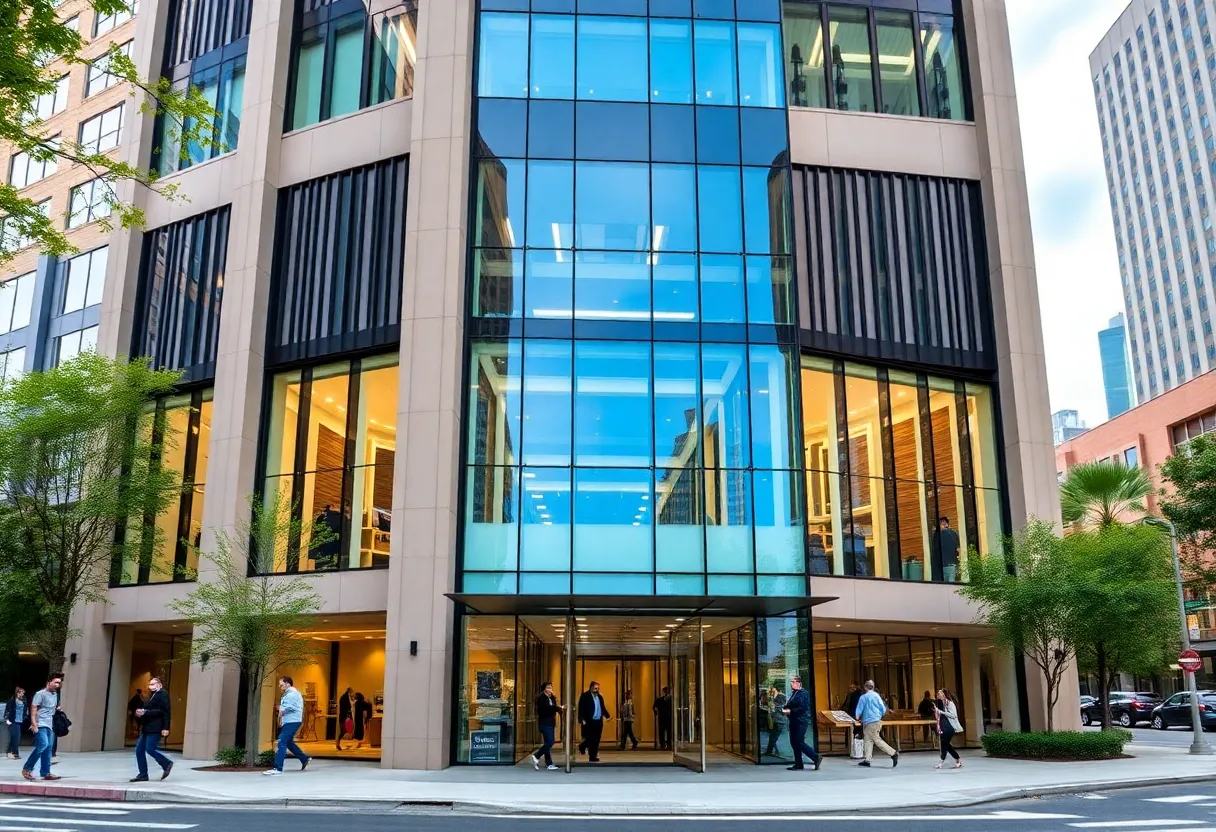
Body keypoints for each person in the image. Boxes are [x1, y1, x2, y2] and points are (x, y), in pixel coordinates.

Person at [21, 673, 62, 782]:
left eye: (59, 683)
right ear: (49, 682)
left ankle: (45, 772)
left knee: (48, 748)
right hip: (40, 724)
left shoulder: (55, 694)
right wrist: (34, 724)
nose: (58, 685)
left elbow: (50, 708)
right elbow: (33, 709)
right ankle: (27, 768)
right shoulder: (40, 694)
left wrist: (57, 709)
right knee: (43, 745)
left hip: (49, 724)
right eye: (56, 682)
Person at [265, 676, 310, 776]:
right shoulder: (293, 693)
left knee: (281, 741)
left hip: (291, 721)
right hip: (292, 720)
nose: (279, 686)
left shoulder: (291, 694)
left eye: (281, 684)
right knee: (288, 742)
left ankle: (278, 768)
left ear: (288, 684)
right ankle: (304, 759)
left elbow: (288, 707)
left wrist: (280, 708)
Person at [131, 676, 173, 782]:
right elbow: (149, 708)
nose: (151, 686)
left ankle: (166, 763)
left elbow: (164, 712)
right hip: (147, 727)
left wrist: (166, 727)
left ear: (159, 684)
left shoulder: (162, 694)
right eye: (150, 684)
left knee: (150, 748)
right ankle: (143, 774)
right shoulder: (152, 695)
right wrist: (141, 712)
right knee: (139, 750)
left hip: (155, 727)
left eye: (153, 684)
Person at [781, 677, 822, 771]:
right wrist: (784, 709)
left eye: (793, 682)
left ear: (799, 683)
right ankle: (798, 763)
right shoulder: (794, 693)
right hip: (794, 720)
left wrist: (789, 711)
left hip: (801, 721)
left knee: (799, 741)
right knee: (794, 742)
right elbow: (791, 704)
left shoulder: (803, 694)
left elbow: (802, 708)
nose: (791, 684)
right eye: (791, 682)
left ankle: (815, 756)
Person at [855, 679, 898, 768]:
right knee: (868, 740)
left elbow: (859, 709)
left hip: (869, 721)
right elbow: (883, 708)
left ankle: (893, 753)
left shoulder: (863, 697)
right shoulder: (877, 696)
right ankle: (867, 759)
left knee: (876, 739)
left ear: (865, 687)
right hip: (877, 720)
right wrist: (879, 715)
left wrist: (857, 717)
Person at [530, 681, 564, 771]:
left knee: (547, 744)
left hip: (550, 722)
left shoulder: (551, 697)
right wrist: (557, 708)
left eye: (551, 687)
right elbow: (546, 709)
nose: (550, 689)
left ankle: (549, 763)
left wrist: (558, 707)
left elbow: (553, 707)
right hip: (544, 723)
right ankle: (537, 755)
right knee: (550, 742)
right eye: (548, 687)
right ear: (544, 689)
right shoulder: (541, 698)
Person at [577, 680, 611, 763]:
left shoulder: (599, 697)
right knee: (590, 738)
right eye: (595, 688)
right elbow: (581, 709)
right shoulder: (585, 696)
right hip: (589, 721)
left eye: (598, 688)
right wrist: (581, 719)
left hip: (598, 721)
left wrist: (608, 716)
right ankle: (582, 746)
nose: (597, 690)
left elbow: (603, 708)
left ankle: (593, 756)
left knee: (596, 739)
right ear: (591, 688)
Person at [933, 688, 963, 769]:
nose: (939, 696)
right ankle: (957, 759)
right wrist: (936, 712)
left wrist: (941, 712)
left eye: (940, 694)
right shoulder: (940, 704)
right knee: (946, 745)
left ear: (944, 695)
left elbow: (953, 715)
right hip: (943, 726)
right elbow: (938, 716)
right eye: (938, 695)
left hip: (950, 727)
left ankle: (941, 761)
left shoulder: (950, 704)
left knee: (944, 744)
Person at [935, 516, 961, 582]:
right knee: (950, 583)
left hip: (946, 565)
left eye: (943, 522)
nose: (942, 524)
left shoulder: (940, 535)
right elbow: (958, 548)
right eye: (941, 522)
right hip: (949, 564)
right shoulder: (953, 533)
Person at [4, 686, 27, 759]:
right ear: (18, 693)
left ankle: (9, 752)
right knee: (16, 738)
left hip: (19, 721)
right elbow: (7, 710)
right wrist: (7, 719)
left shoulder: (23, 700)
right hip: (13, 721)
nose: (23, 694)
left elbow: (25, 710)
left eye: (23, 693)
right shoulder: (12, 700)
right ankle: (15, 753)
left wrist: (25, 716)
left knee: (14, 738)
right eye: (22, 693)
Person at [764, 686, 787, 757]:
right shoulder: (773, 697)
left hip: (778, 720)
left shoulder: (781, 697)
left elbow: (780, 707)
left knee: (774, 737)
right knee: (772, 736)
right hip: (774, 720)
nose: (770, 690)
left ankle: (773, 751)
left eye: (772, 689)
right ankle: (769, 751)